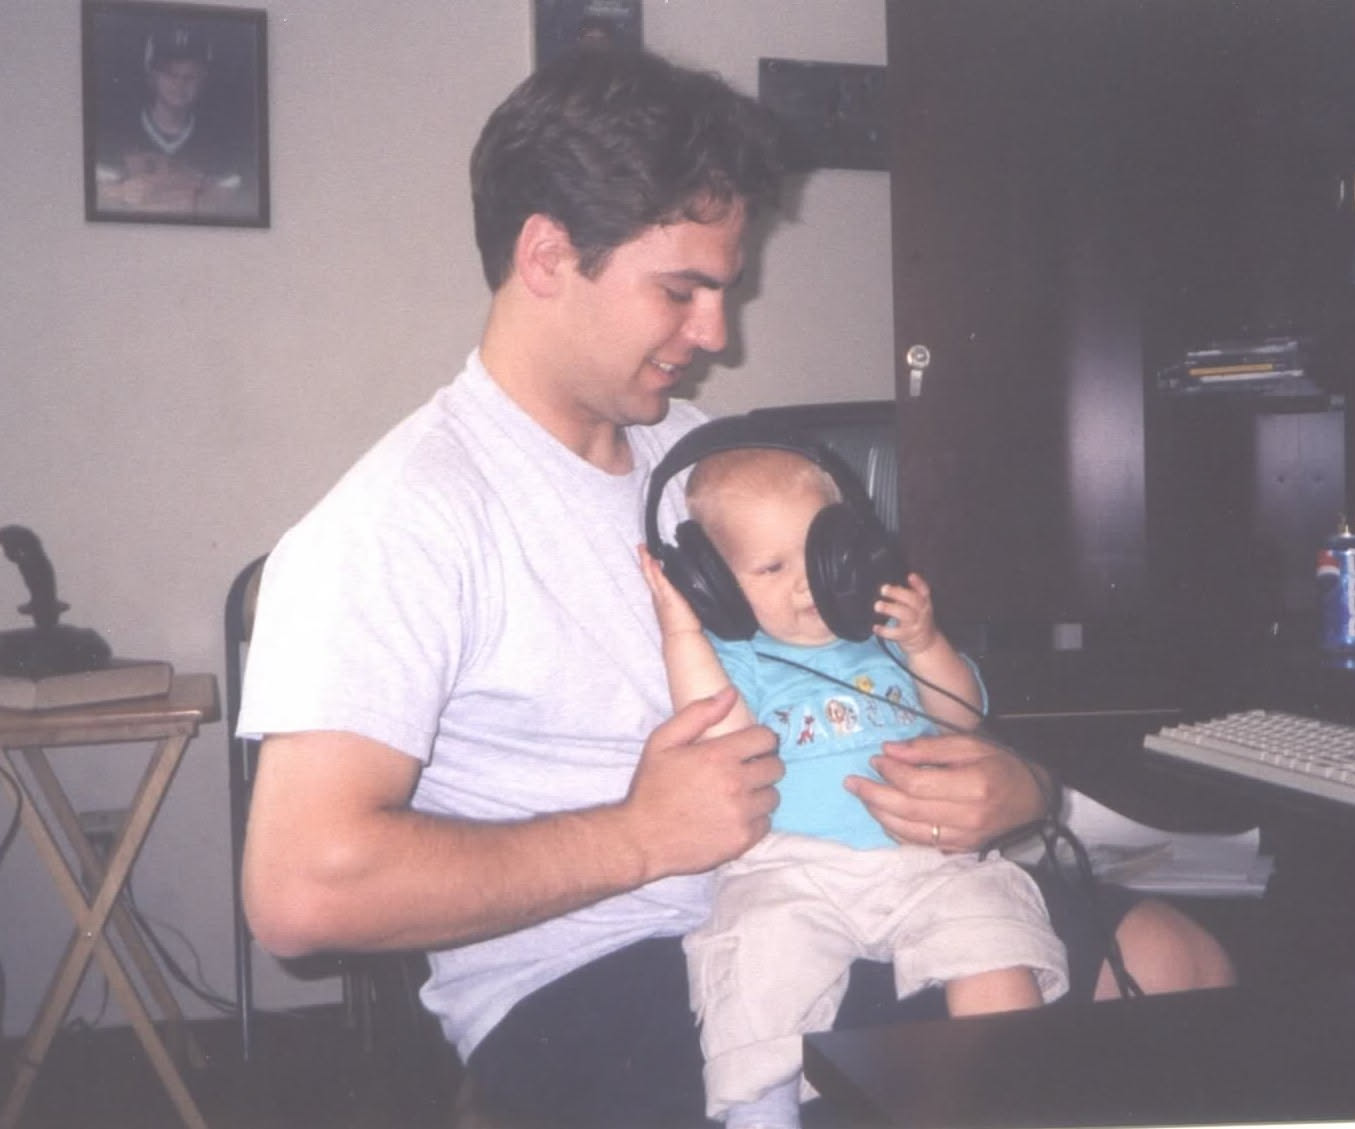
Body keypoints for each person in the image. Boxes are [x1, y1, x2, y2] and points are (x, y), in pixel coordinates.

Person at [239, 46, 1233, 1129]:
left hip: (848, 884)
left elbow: (875, 679)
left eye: (724, 290)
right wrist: (640, 834)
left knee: (1175, 962)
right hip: (596, 973)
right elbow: (300, 890)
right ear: (546, 255)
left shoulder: (708, 468)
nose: (717, 334)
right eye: (682, 291)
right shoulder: (399, 519)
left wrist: (1013, 787)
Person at [640, 436, 1068, 1128]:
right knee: (757, 969)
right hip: (791, 870)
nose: (803, 584)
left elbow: (962, 714)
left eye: (820, 557)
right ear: (713, 584)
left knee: (991, 928)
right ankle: (762, 1115)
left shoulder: (882, 633)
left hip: (925, 860)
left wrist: (925, 643)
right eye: (771, 567)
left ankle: (1006, 1090)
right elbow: (721, 734)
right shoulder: (739, 656)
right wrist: (683, 635)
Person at [92, 23, 254, 218]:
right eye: (170, 73)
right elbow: (102, 200)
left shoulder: (221, 142)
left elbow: (223, 206)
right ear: (152, 75)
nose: (180, 83)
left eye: (191, 75)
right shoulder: (117, 133)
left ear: (203, 80)